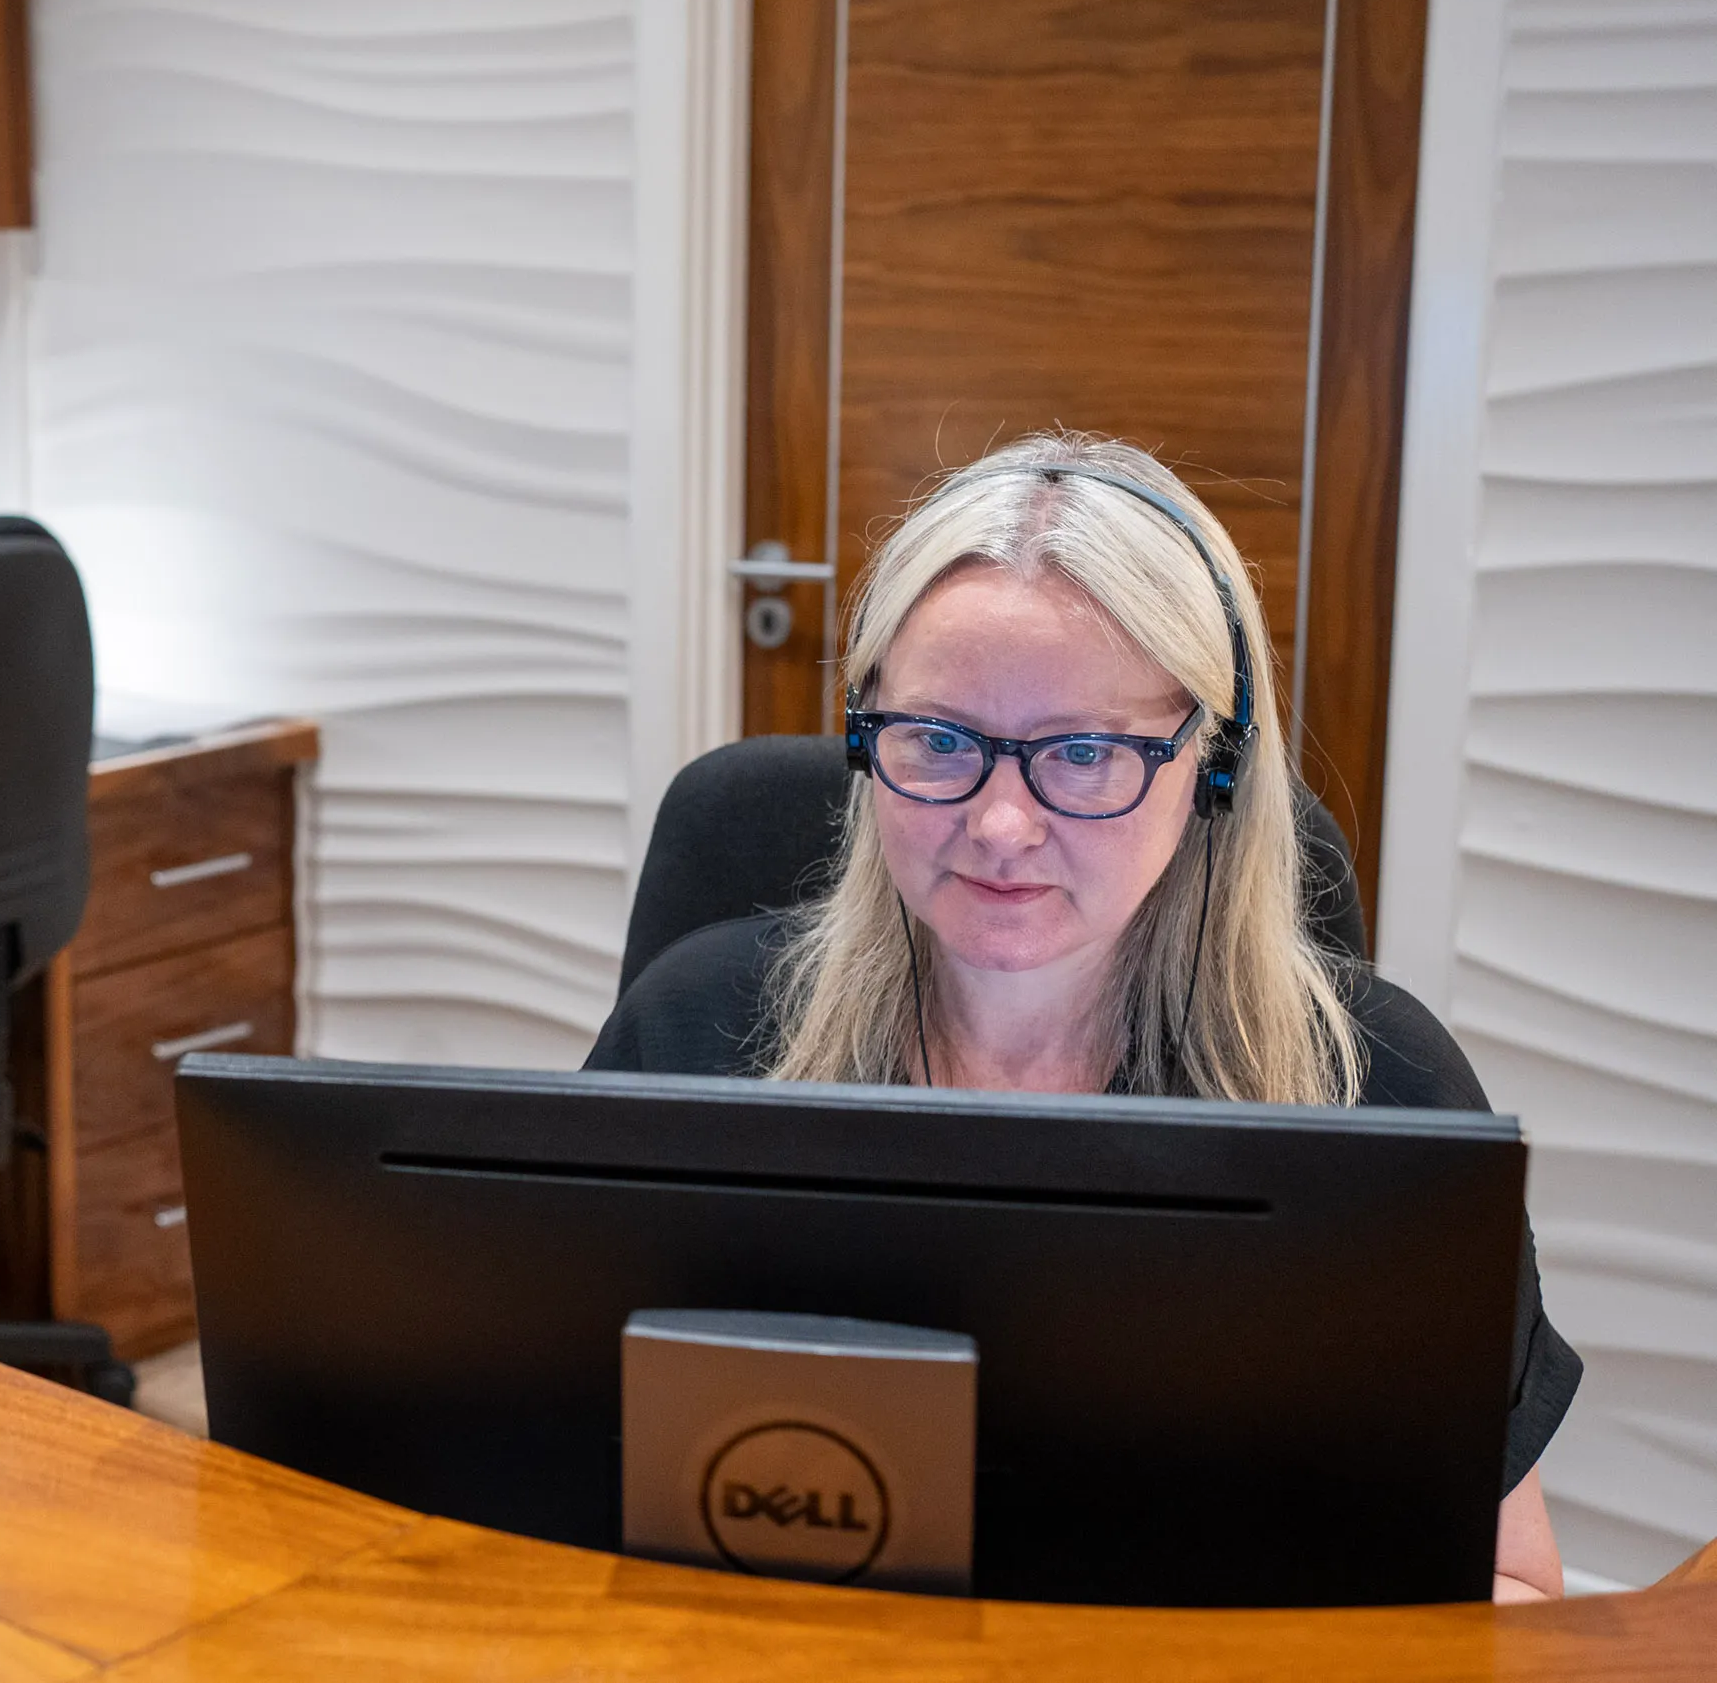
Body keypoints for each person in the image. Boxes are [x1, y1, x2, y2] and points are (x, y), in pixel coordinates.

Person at [586, 433, 1581, 1601]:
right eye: (942, 740)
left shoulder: (1380, 1090)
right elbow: (540, 1484)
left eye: (1088, 752)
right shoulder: (695, 1036)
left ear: (1210, 767)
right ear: (867, 741)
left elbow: (1511, 1588)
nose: (1003, 825)